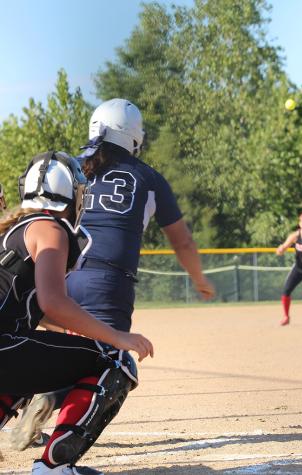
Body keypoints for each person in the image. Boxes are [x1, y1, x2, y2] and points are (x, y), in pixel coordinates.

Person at [11, 98, 215, 451]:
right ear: (134, 137)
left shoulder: (72, 169)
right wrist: (199, 280)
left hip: (56, 273)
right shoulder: (148, 177)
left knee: (44, 346)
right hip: (108, 282)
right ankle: (56, 425)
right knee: (109, 360)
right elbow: (182, 242)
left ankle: (30, 394)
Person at [0, 151, 153, 474]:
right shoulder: (50, 228)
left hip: (6, 344)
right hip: (5, 346)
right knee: (112, 359)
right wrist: (117, 336)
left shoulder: (13, 232)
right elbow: (53, 301)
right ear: (71, 194)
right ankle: (54, 466)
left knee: (28, 361)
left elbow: (28, 306)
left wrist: (71, 329)